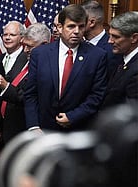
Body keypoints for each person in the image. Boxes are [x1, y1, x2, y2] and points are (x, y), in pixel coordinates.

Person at [24, 4, 107, 132]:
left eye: (81, 26)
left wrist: (73, 116)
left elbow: (96, 96)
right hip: (42, 130)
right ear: (60, 27)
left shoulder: (97, 56)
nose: (77, 31)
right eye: (71, 26)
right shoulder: (40, 54)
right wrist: (34, 126)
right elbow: (30, 93)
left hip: (78, 130)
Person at [0, 21, 30, 144]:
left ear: (22, 38)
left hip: (18, 123)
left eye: (12, 35)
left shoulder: (27, 58)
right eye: (5, 34)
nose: (7, 38)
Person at [101, 11, 138, 109]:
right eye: (110, 35)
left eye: (116, 37)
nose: (110, 41)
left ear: (134, 38)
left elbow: (130, 113)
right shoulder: (122, 58)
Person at [81, 0, 122, 77]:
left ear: (92, 22)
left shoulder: (112, 50)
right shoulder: (78, 44)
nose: (76, 25)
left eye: (79, 20)